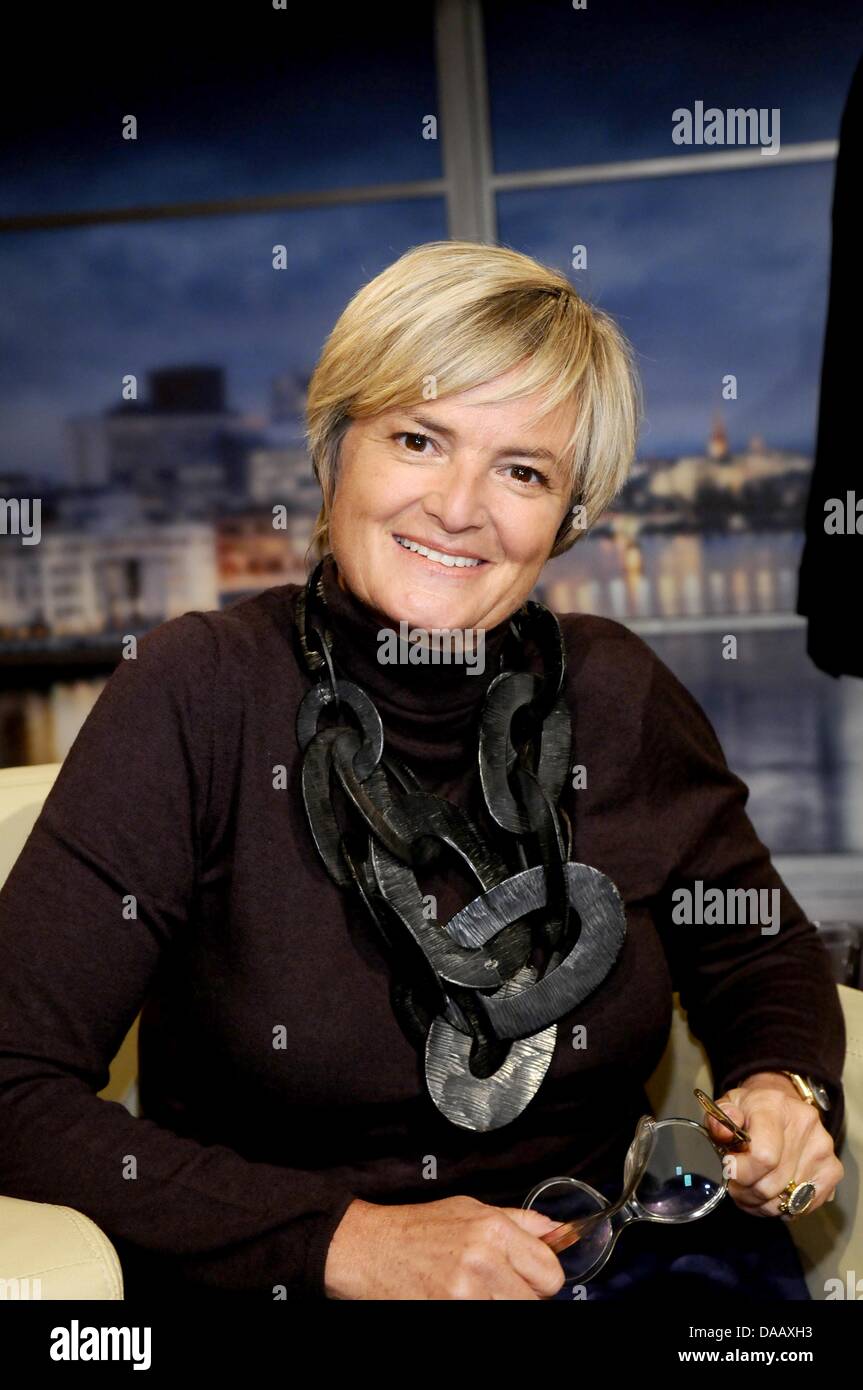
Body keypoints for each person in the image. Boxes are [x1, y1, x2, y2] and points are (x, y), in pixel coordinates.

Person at [0, 241, 845, 1302]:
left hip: (628, 1265)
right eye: (417, 438)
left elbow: (754, 954)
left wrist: (781, 1082)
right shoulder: (197, 693)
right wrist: (342, 1241)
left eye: (522, 470)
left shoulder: (617, 692)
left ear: (565, 517)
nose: (458, 505)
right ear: (333, 453)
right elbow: (12, 1086)